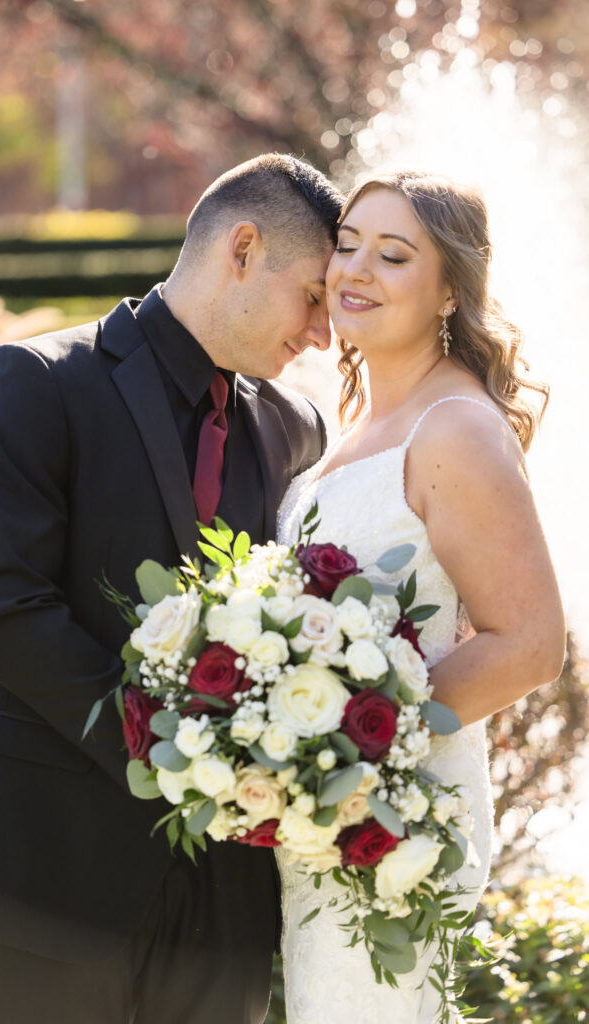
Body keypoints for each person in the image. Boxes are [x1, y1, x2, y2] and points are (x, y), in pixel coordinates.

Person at [0, 153, 343, 1024]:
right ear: (242, 247)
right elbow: (4, 612)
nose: (321, 335)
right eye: (311, 297)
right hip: (50, 867)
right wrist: (177, 761)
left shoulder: (297, 427)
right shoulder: (33, 383)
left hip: (227, 892)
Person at [276, 170, 566, 1023]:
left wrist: (350, 744)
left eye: (392, 255)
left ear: (448, 291)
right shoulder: (354, 422)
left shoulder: (456, 428)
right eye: (347, 245)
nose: (354, 270)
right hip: (329, 819)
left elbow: (529, 643)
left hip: (392, 820)